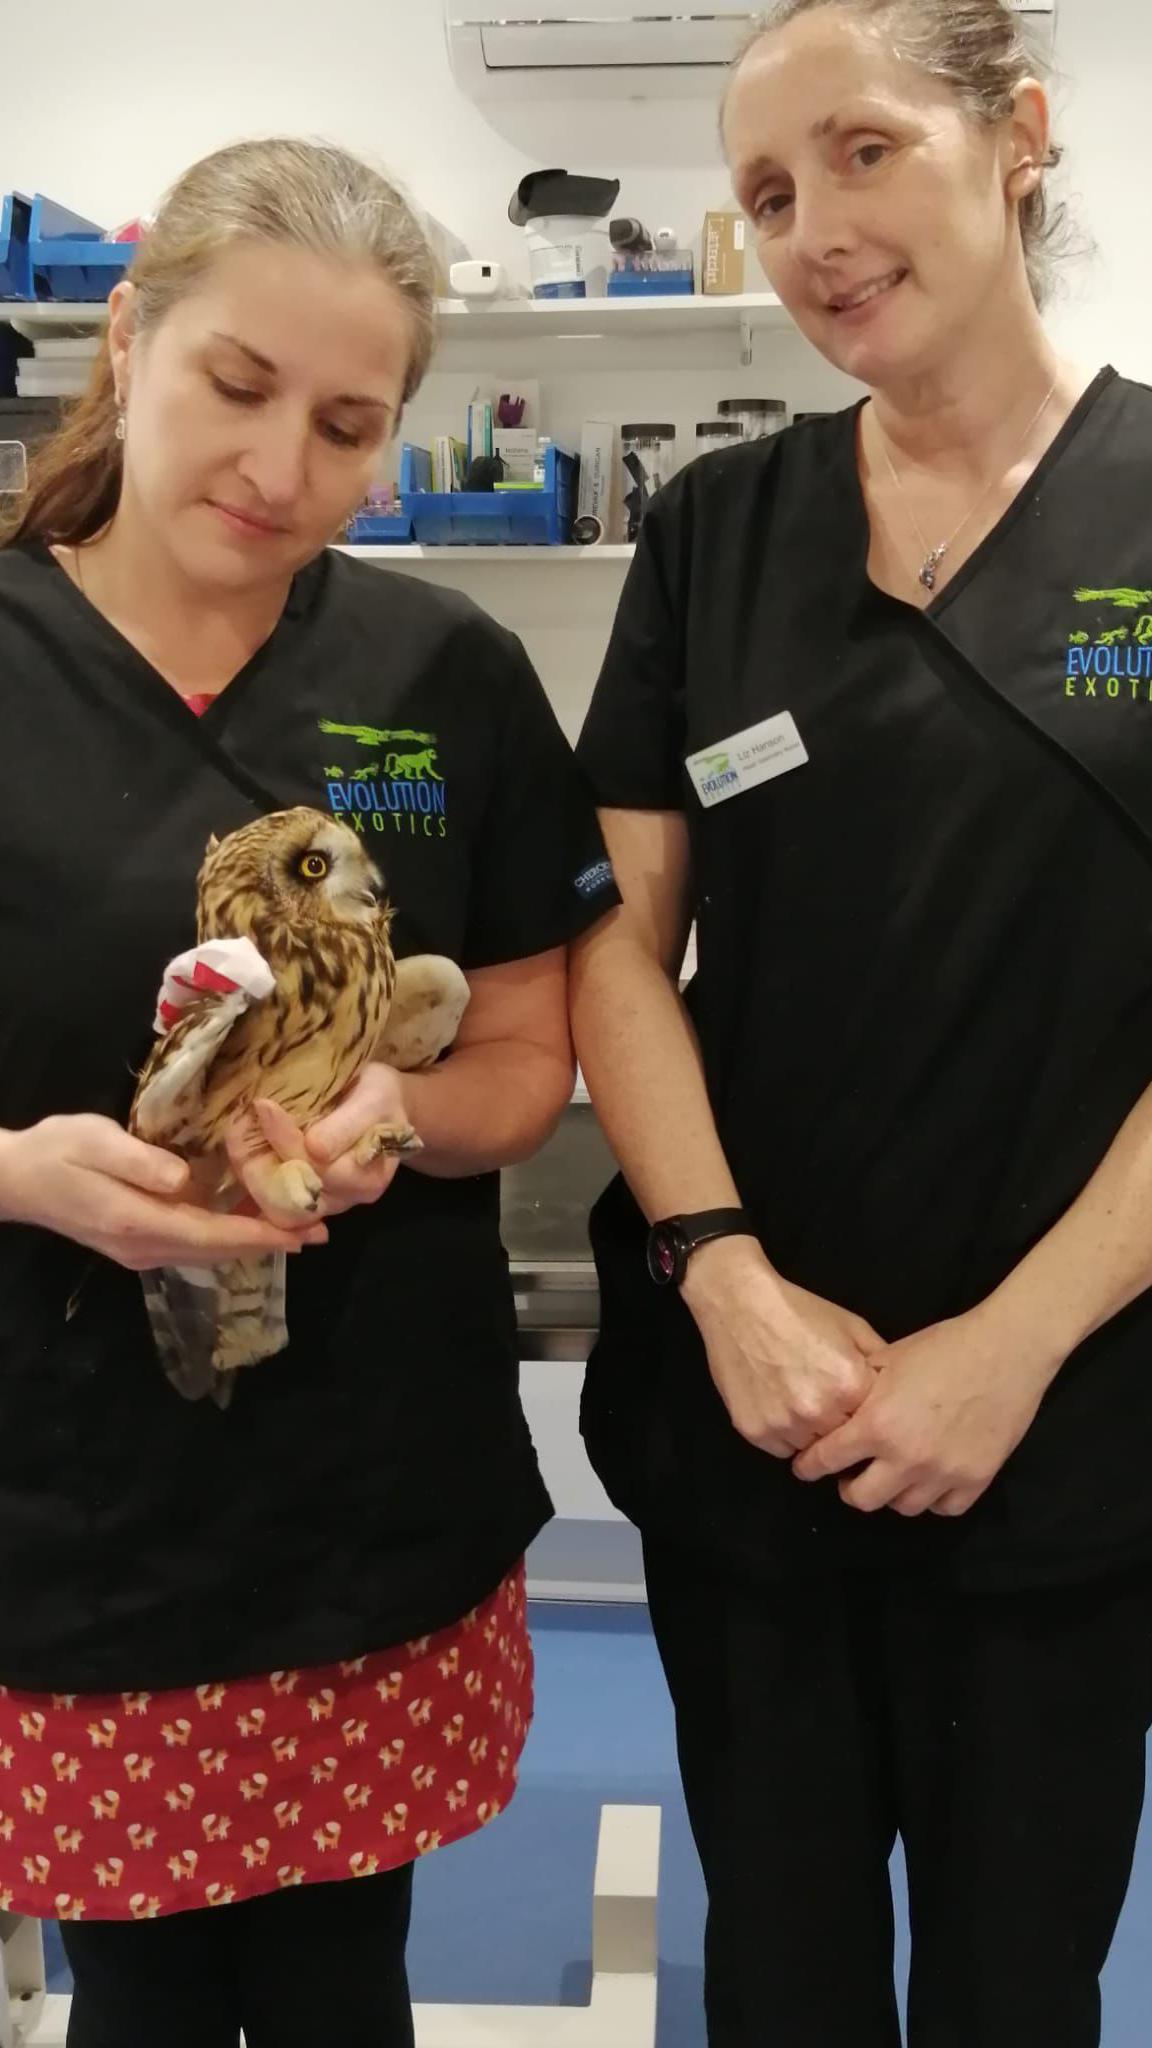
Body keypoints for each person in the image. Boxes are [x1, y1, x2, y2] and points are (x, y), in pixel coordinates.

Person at [570, 4, 1152, 2043]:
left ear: (1021, 138)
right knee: (786, 1978)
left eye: (864, 151)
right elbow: (617, 948)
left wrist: (1014, 1346)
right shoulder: (716, 533)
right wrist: (723, 1278)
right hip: (764, 1424)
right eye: (765, 193)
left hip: (1066, 1424)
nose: (812, 228)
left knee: (1018, 1984)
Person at [0, 137, 617, 2047]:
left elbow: (525, 1057)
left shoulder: (447, 672)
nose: (283, 472)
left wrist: (390, 1129)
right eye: (237, 389)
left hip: (366, 1492)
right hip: (66, 1498)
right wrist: (27, 1175)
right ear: (128, 339)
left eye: (349, 426)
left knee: (350, 1978)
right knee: (146, 1994)